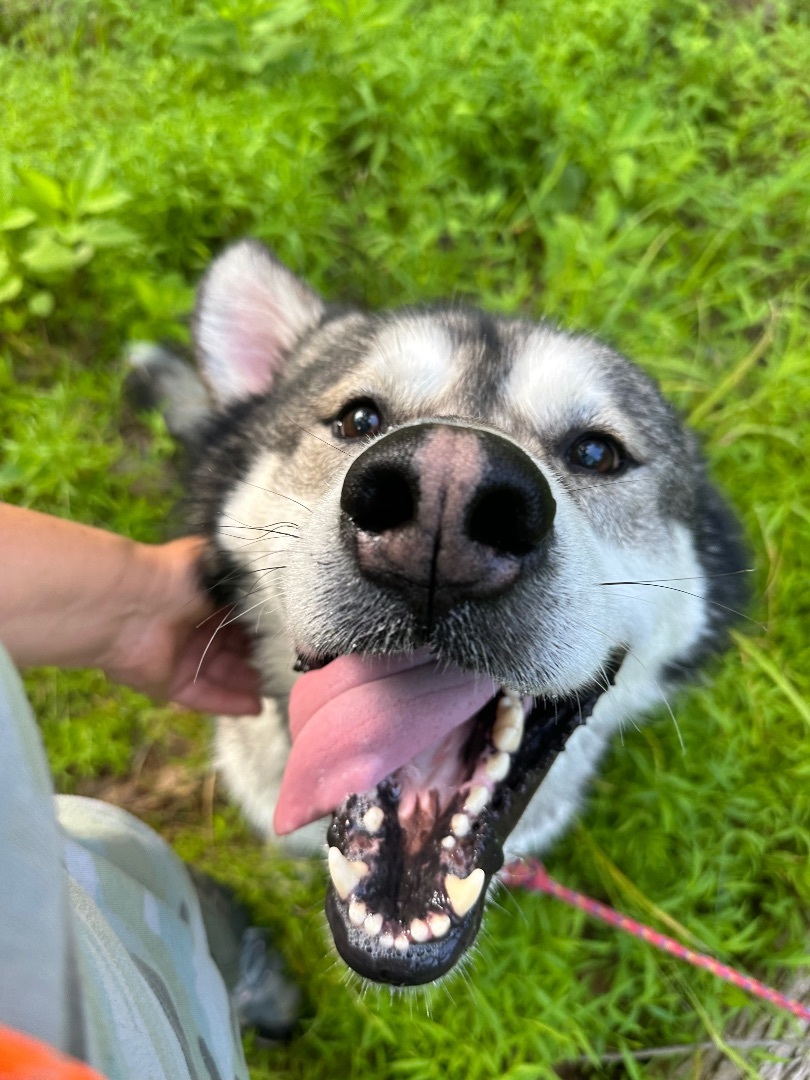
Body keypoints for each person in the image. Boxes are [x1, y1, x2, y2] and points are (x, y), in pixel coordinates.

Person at [0, 503, 264, 1080]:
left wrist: (138, 605)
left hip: (56, 883)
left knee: (134, 886)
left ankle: (213, 950)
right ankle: (225, 971)